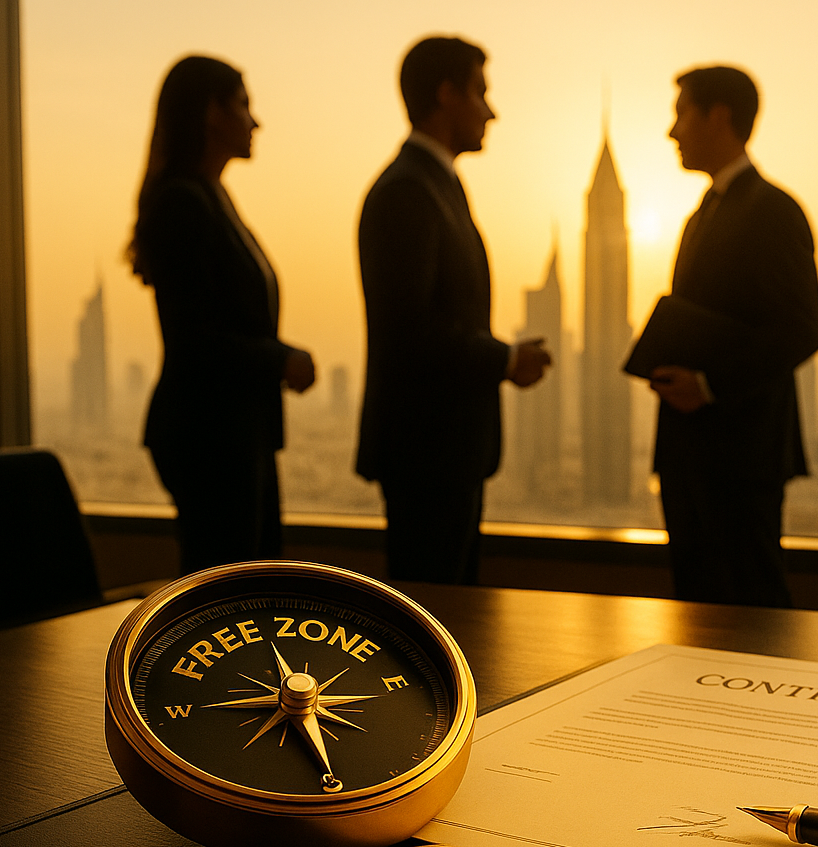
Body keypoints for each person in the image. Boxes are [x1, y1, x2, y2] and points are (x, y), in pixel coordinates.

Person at [355, 36, 550, 584]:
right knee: (434, 621)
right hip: (427, 452)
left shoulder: (432, 184)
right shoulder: (408, 191)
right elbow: (410, 329)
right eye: (480, 92)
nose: (492, 110)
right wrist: (505, 359)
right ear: (446, 95)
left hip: (444, 451)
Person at [129, 56, 316, 575]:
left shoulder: (207, 197)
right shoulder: (184, 204)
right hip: (212, 437)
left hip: (232, 433)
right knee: (227, 596)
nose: (255, 122)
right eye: (244, 105)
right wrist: (280, 360)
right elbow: (196, 340)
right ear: (212, 112)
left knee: (239, 591)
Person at [645, 66, 818, 607]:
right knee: (697, 610)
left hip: (740, 455)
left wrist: (708, 384)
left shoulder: (772, 210)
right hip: (691, 452)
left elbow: (802, 328)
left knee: (752, 608)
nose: (672, 131)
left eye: (681, 113)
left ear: (717, 116)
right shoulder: (706, 211)